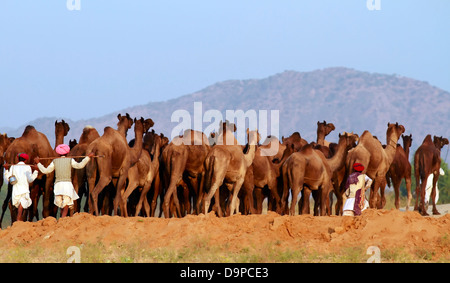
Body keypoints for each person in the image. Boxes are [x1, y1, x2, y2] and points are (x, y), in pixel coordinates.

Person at [34, 144, 93, 218]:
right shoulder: (70, 160)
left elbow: (46, 171)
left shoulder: (54, 161)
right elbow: (80, 165)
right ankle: (62, 218)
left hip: (58, 185)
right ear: (67, 153)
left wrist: (38, 163)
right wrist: (88, 157)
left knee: (62, 205)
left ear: (58, 153)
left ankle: (62, 218)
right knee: (66, 204)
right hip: (67, 185)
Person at [3, 153, 39, 221]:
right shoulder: (27, 167)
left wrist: (6, 169)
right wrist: (36, 171)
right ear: (25, 160)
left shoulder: (13, 167)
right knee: (22, 205)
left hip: (16, 190)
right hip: (24, 190)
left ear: (18, 159)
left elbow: (9, 178)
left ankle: (19, 219)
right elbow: (30, 179)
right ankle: (18, 218)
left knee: (20, 205)